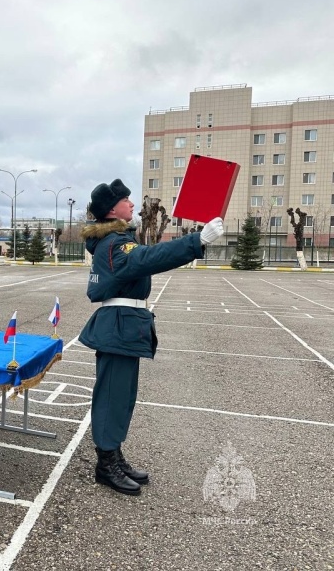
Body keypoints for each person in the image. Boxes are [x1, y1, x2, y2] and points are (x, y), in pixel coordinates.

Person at [78, 179, 224, 496]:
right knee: (112, 396)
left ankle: (114, 455)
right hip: (118, 325)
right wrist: (196, 240)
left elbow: (146, 256)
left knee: (122, 396)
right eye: (126, 200)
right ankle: (105, 465)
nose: (132, 205)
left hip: (124, 325)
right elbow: (148, 258)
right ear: (111, 209)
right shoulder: (115, 244)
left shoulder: (116, 240)